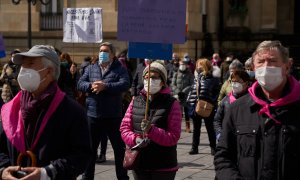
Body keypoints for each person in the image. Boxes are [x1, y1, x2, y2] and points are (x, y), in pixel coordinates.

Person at [0, 45, 92, 179]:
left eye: (30, 64)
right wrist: (3, 169)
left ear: (48, 71)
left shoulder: (72, 110)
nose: (23, 70)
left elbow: (82, 156)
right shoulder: (11, 109)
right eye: (23, 65)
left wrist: (47, 173)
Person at [214, 40, 300, 179]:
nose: (266, 67)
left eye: (272, 61)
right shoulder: (238, 108)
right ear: (253, 68)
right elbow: (223, 156)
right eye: (261, 62)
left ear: (287, 66)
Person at [120, 61, 182, 180]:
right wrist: (135, 139)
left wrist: (152, 130)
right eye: (146, 77)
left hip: (163, 166)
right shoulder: (136, 101)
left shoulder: (172, 103)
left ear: (163, 82)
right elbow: (124, 128)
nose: (149, 80)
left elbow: (173, 137)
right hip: (139, 163)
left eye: (154, 77)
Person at [77, 42, 130, 180]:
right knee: (90, 149)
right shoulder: (91, 68)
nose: (102, 53)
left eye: (105, 51)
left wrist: (105, 86)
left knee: (119, 149)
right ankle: (87, 176)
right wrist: (91, 85)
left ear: (112, 54)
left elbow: (125, 84)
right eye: (100, 50)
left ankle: (122, 176)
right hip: (93, 115)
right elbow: (80, 83)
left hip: (113, 115)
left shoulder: (120, 68)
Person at [186, 58, 220, 155]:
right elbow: (192, 91)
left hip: (207, 107)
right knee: (196, 128)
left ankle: (213, 148)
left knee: (210, 128)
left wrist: (212, 103)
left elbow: (217, 92)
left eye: (200, 65)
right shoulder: (197, 77)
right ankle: (194, 148)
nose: (198, 67)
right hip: (196, 106)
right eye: (197, 65)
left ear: (205, 66)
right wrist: (189, 102)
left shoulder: (213, 78)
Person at [213, 70, 250, 142]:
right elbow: (217, 120)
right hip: (228, 139)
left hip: (246, 140)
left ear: (246, 83)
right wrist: (219, 134)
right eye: (232, 82)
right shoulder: (226, 100)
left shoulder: (252, 100)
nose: (234, 84)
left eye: (238, 82)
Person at [171, 59, 194, 133]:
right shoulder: (176, 74)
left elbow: (192, 84)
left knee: (187, 112)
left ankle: (188, 127)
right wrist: (178, 92)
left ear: (186, 65)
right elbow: (173, 84)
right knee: (178, 112)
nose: (182, 66)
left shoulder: (190, 74)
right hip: (178, 95)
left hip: (186, 96)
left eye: (183, 64)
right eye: (181, 64)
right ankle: (178, 127)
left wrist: (184, 91)